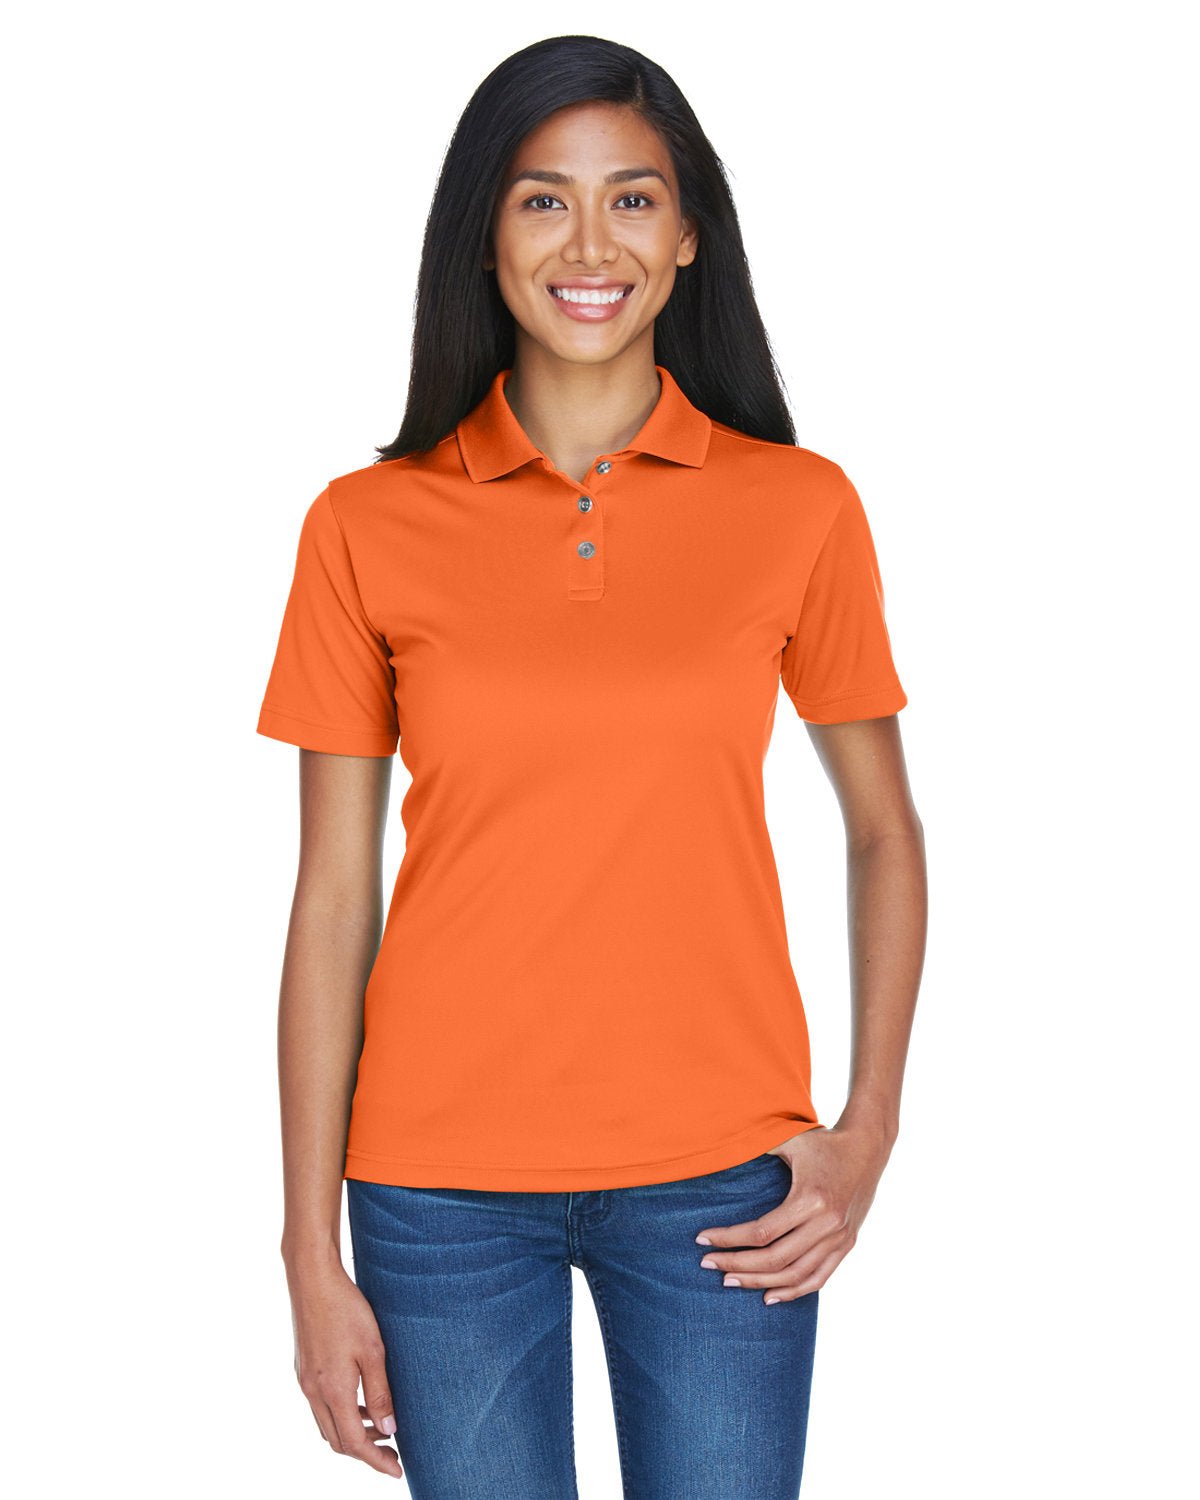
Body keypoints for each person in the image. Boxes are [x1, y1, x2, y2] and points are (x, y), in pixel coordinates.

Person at [256, 33, 926, 1500]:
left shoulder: (800, 508)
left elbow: (883, 829)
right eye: (543, 200)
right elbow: (332, 898)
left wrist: (867, 1131)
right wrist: (308, 1250)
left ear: (688, 238)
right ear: (484, 235)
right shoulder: (363, 524)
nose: (589, 245)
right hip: (437, 1189)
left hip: (726, 1182)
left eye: (633, 199)